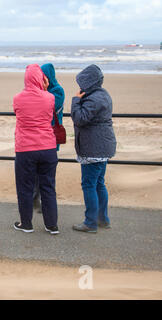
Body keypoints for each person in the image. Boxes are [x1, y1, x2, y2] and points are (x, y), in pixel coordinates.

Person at [12, 64, 59, 235]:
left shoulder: (18, 98)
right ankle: (52, 225)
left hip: (25, 148)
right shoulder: (49, 98)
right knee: (48, 186)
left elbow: (18, 113)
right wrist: (45, 88)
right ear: (42, 79)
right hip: (48, 147)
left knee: (25, 187)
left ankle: (26, 224)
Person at [71, 64, 116, 233]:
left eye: (82, 83)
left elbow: (80, 118)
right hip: (103, 146)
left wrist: (76, 100)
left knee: (89, 184)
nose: (80, 87)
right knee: (99, 183)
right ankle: (102, 219)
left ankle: (90, 223)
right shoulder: (103, 95)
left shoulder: (94, 99)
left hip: (93, 148)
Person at [32, 63, 65, 213]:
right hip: (37, 136)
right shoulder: (39, 91)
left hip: (50, 137)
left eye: (43, 76)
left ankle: (46, 202)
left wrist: (43, 91)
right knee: (35, 172)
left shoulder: (58, 91)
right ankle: (35, 200)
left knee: (46, 174)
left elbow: (49, 107)